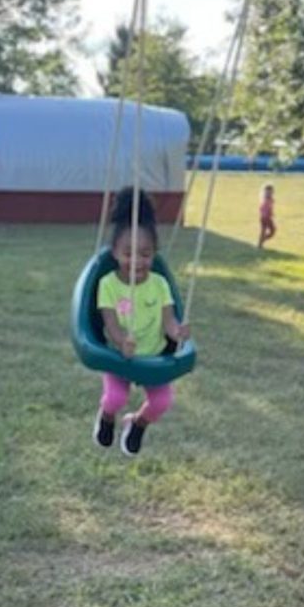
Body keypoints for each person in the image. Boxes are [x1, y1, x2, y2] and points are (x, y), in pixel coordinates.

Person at [93, 187, 190, 456]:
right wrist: (121, 341)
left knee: (162, 402)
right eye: (129, 254)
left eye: (145, 255)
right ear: (114, 252)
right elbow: (110, 322)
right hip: (119, 357)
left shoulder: (159, 284)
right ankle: (107, 417)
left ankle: (137, 423)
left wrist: (178, 331)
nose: (137, 262)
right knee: (116, 397)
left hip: (153, 357)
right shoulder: (108, 284)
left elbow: (169, 320)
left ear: (154, 254)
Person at [258, 183, 276, 248]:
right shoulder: (265, 199)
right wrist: (265, 214)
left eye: (271, 192)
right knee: (265, 230)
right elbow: (261, 208)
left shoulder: (271, 199)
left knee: (272, 231)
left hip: (268, 217)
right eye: (268, 192)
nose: (269, 193)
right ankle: (260, 243)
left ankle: (261, 241)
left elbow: (270, 207)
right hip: (265, 217)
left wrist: (271, 213)